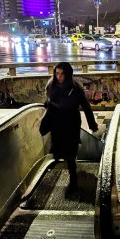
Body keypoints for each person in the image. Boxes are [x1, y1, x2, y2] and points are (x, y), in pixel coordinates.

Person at [44, 62, 98, 192]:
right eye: (57, 73)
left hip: (72, 123)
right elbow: (48, 104)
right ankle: (59, 162)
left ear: (68, 74)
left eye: (62, 74)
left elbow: (86, 106)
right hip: (57, 123)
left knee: (70, 150)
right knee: (58, 148)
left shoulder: (75, 88)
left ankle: (73, 177)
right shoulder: (51, 86)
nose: (59, 76)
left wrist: (92, 124)